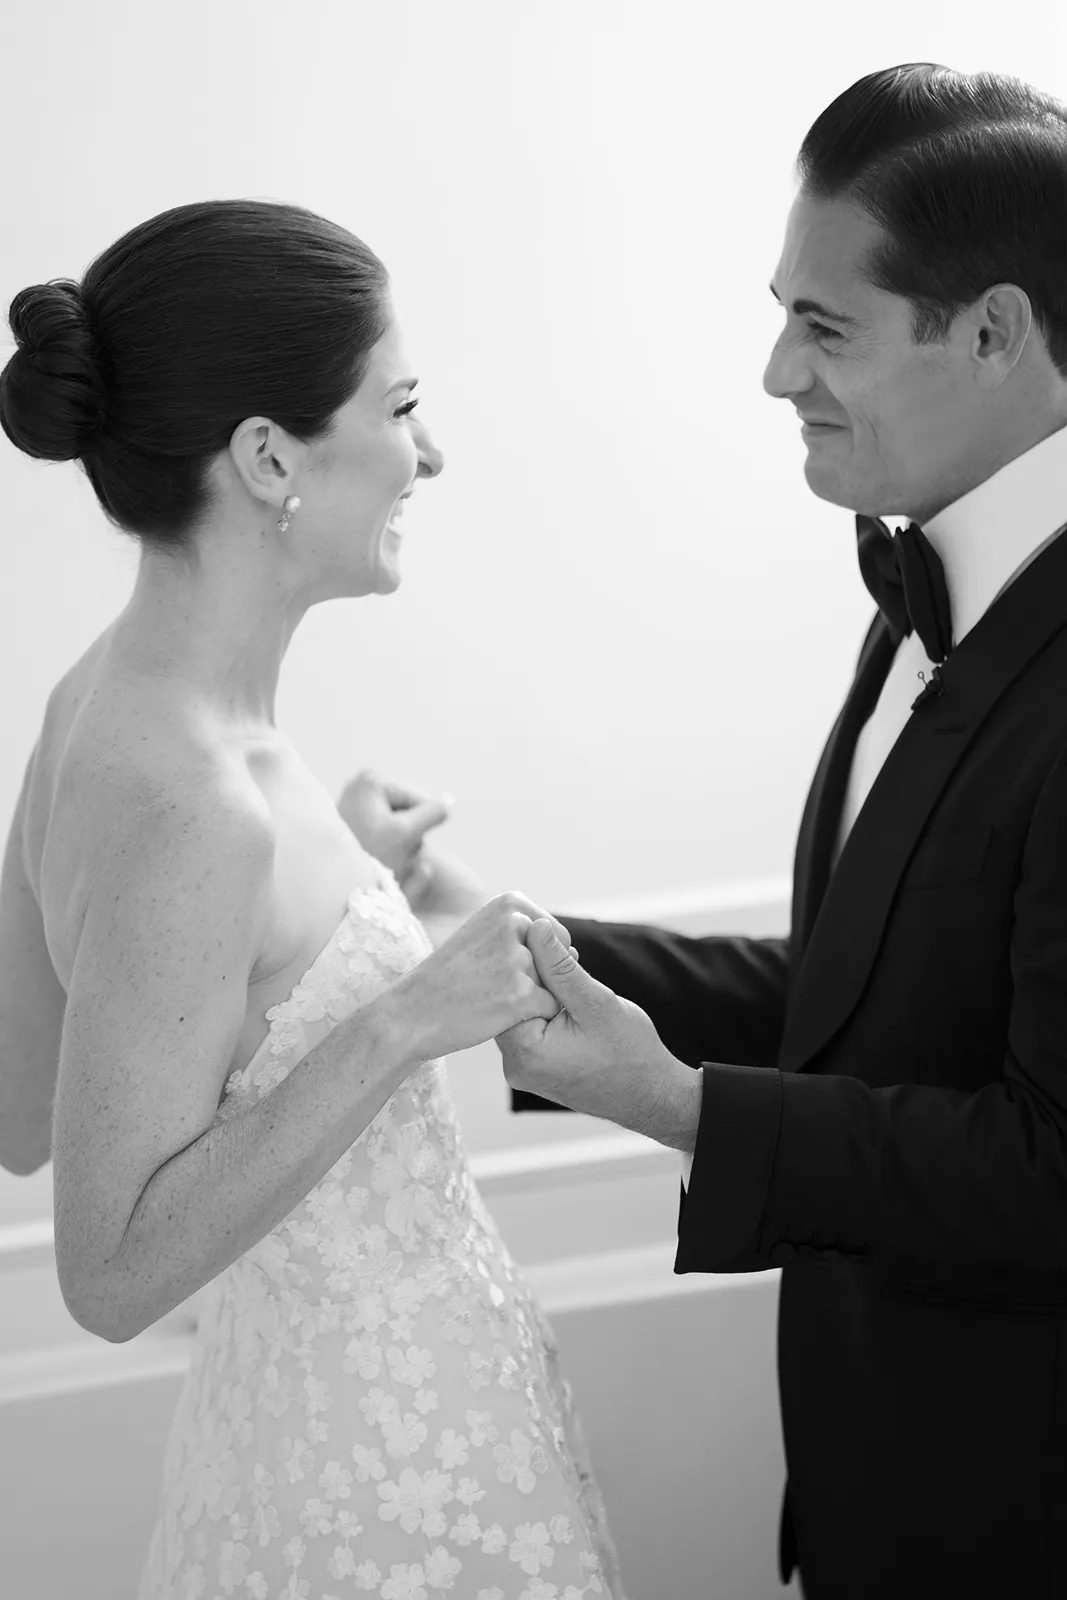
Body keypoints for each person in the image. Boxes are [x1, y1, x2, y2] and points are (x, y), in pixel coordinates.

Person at [351, 61, 1067, 1600]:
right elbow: (879, 992)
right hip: (880, 1480)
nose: (772, 375)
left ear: (996, 333)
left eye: (824, 328)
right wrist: (516, 944)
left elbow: (1046, 1163)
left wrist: (674, 1104)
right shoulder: (932, 586)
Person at [0, 201, 628, 1600]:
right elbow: (105, 1277)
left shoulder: (89, 706)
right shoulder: (199, 800)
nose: (431, 453)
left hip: (300, 1436)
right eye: (401, 406)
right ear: (271, 457)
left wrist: (320, 904)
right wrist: (395, 1018)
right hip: (379, 1481)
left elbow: (19, 1098)